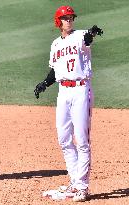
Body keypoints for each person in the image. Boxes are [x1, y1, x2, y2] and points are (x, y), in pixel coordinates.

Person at [34, 5, 102, 202]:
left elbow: (87, 39)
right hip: (63, 91)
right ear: (58, 21)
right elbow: (55, 70)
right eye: (65, 18)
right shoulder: (55, 44)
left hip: (81, 89)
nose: (69, 20)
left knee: (81, 140)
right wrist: (44, 84)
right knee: (64, 139)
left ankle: (82, 186)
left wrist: (92, 33)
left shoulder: (80, 35)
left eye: (71, 17)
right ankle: (74, 181)